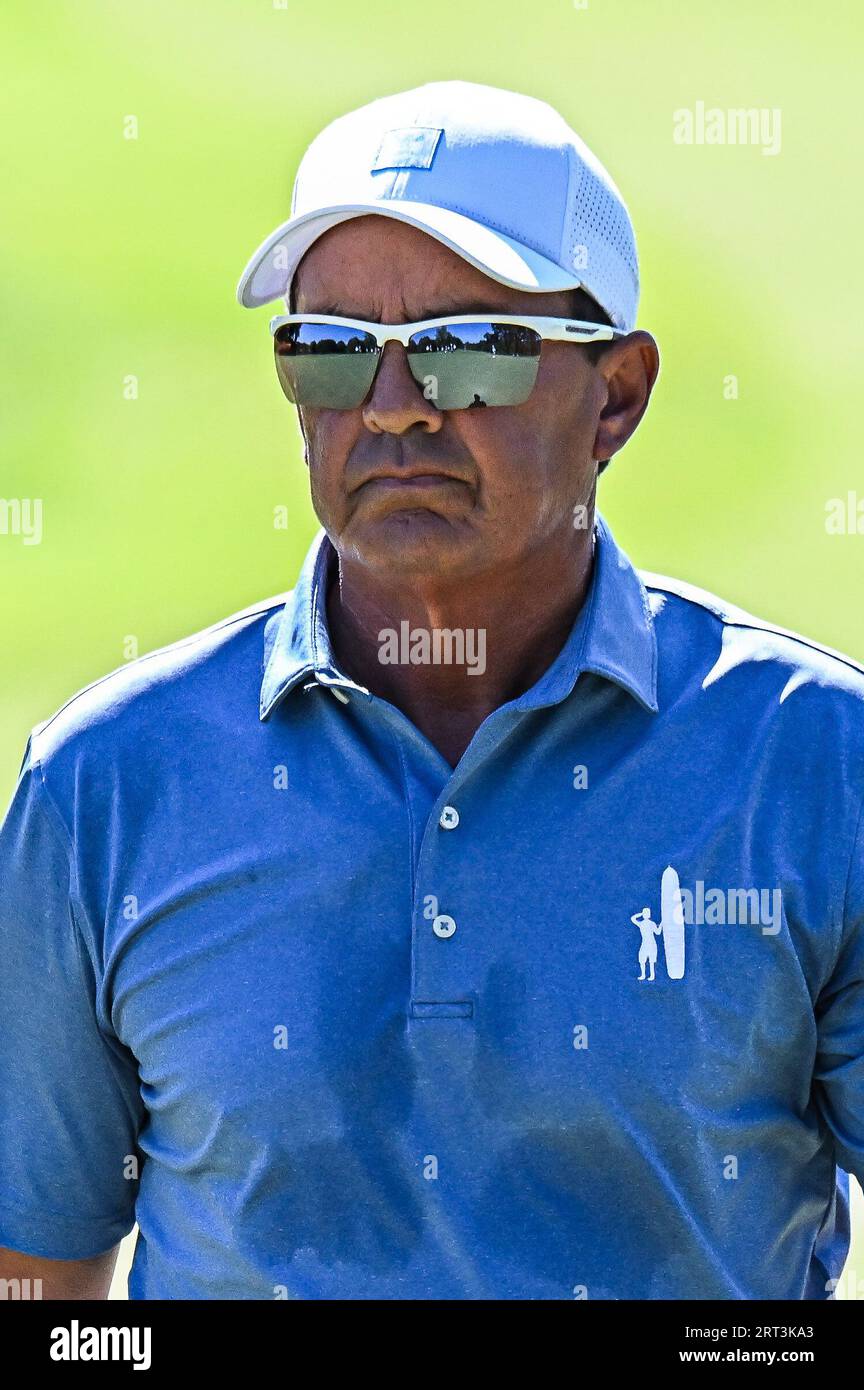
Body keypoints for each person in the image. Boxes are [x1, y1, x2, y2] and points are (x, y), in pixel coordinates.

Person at [0, 80, 862, 1301]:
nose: (395, 409)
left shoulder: (821, 761)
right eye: (331, 354)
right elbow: (39, 1289)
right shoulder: (100, 784)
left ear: (616, 395)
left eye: (471, 351)